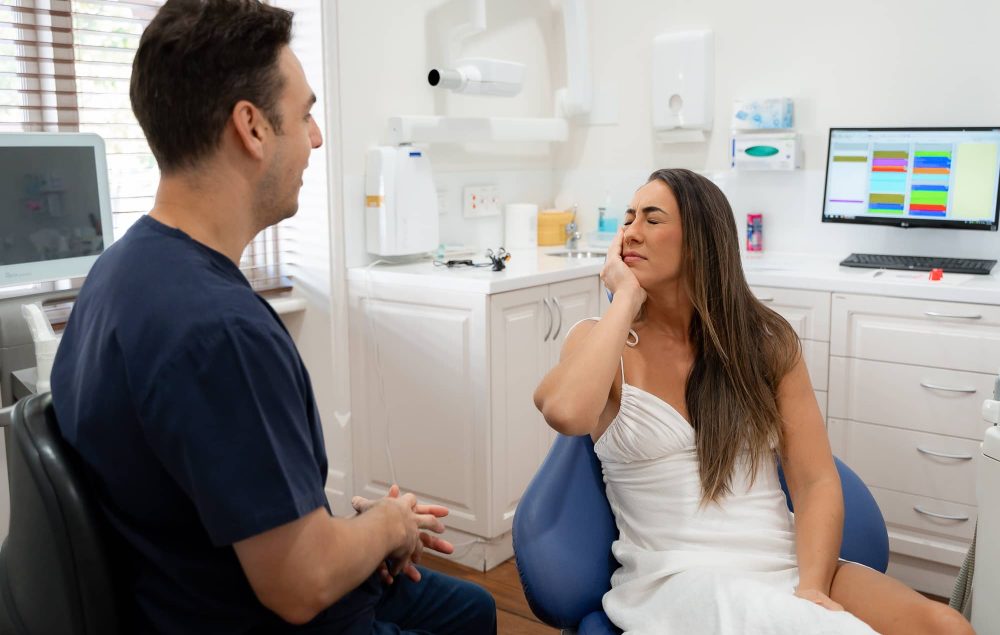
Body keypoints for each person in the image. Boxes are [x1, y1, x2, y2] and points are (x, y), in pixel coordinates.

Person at [50, 1, 496, 633]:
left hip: (200, 579)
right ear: (252, 128)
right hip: (261, 614)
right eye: (305, 114)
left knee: (475, 607)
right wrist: (388, 524)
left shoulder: (117, 272)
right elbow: (301, 583)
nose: (316, 138)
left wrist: (365, 533)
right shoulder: (219, 331)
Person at [533, 168, 973, 635]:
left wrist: (812, 588)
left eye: (652, 219)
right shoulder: (601, 342)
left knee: (947, 626)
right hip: (682, 578)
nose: (631, 232)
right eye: (628, 219)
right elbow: (566, 412)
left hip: (783, 561)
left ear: (700, 241)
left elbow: (814, 480)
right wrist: (624, 298)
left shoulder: (764, 344)